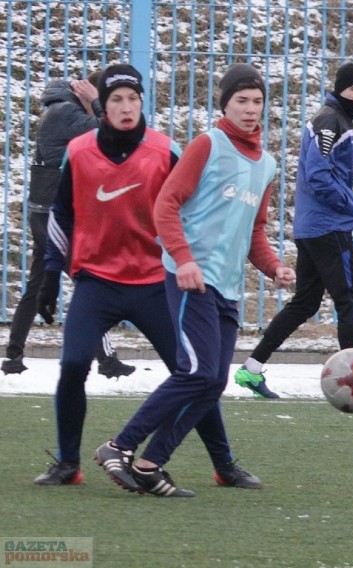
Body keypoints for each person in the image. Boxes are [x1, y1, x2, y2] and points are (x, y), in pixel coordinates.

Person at [33, 63, 263, 493]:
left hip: (157, 282)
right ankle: (68, 463)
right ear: (102, 105)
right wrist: (51, 273)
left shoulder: (165, 151)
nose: (126, 107)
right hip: (97, 283)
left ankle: (224, 463)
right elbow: (60, 213)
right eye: (116, 99)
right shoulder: (79, 150)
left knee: (196, 372)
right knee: (73, 365)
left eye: (133, 99)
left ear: (142, 103)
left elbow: (194, 208)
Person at [94, 63, 295, 497]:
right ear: (224, 103)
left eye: (257, 101)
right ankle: (119, 445)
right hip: (190, 279)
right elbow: (165, 205)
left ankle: (149, 463)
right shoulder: (208, 144)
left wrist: (274, 266)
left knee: (213, 381)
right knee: (197, 371)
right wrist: (183, 259)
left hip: (226, 286)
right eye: (240, 100)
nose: (249, 109)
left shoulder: (267, 165)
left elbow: (255, 230)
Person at [233, 63, 353, 399]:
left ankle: (252, 369)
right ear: (340, 89)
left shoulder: (334, 118)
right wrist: (351, 206)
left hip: (313, 226)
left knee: (305, 303)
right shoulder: (330, 121)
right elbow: (320, 175)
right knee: (348, 299)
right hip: (328, 226)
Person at [1, 73, 135, 379]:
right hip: (53, 218)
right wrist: (96, 104)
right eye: (111, 99)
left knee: (36, 285)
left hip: (44, 215)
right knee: (89, 283)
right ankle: (108, 360)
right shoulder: (66, 113)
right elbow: (111, 130)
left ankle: (13, 356)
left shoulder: (59, 110)